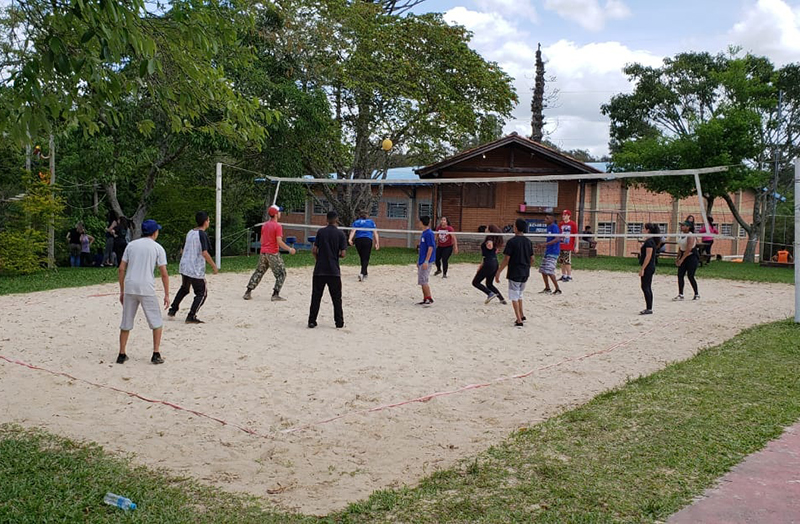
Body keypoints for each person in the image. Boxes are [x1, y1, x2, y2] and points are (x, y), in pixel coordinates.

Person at [116, 219, 169, 365]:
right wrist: (166, 294)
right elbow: (164, 273)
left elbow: (121, 269)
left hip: (130, 286)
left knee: (126, 321)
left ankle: (121, 353)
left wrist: (122, 291)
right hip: (146, 287)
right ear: (154, 232)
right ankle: (156, 353)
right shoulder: (157, 248)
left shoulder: (131, 245)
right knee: (156, 321)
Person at [168, 211, 219, 324]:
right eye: (208, 220)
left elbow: (182, 250)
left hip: (185, 266)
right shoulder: (202, 234)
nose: (209, 222)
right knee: (202, 293)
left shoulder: (190, 232)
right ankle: (191, 316)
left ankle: (172, 310)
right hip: (195, 268)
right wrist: (214, 266)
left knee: (184, 288)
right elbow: (204, 252)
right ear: (205, 222)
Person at [243, 205, 296, 301]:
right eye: (279, 212)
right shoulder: (278, 226)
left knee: (259, 272)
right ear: (275, 214)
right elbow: (279, 241)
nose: (280, 213)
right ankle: (275, 294)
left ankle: (248, 292)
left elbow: (261, 240)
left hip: (263, 252)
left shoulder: (265, 225)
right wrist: (289, 249)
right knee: (281, 273)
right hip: (272, 252)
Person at [308, 211, 348, 328]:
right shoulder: (340, 234)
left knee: (316, 296)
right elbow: (343, 254)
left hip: (320, 269)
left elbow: (314, 250)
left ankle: (312, 320)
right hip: (333, 270)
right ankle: (339, 322)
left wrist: (318, 259)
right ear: (337, 219)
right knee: (336, 298)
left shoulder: (321, 232)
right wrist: (335, 256)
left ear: (327, 220)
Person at [495, 218, 534, 327]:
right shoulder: (528, 242)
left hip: (515, 272)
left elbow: (506, 259)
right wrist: (527, 267)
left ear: (516, 228)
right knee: (520, 294)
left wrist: (498, 271)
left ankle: (518, 319)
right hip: (525, 272)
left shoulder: (512, 242)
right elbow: (532, 259)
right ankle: (522, 314)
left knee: (514, 296)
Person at [472, 225, 507, 305]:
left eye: (487, 228)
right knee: (489, 284)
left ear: (490, 230)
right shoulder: (494, 239)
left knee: (475, 282)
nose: (485, 229)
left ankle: (490, 293)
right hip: (494, 262)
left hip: (489, 263)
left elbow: (490, 246)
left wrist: (489, 244)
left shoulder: (490, 238)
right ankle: (501, 299)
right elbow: (487, 254)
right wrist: (481, 264)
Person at [348, 209, 379, 282]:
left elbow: (353, 231)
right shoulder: (371, 222)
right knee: (366, 257)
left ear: (359, 215)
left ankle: (365, 272)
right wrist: (377, 242)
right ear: (367, 215)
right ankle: (362, 273)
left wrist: (350, 239)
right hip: (367, 240)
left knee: (362, 257)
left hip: (358, 240)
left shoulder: (356, 222)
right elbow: (375, 232)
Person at [674, 220, 700, 301]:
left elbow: (689, 249)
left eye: (683, 225)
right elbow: (680, 247)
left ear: (688, 227)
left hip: (691, 257)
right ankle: (680, 294)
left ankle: (696, 294)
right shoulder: (681, 235)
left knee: (690, 276)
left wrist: (682, 259)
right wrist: (678, 257)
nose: (681, 227)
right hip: (683, 254)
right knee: (680, 275)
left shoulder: (690, 236)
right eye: (681, 225)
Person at [638, 223, 660, 315]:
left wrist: (643, 268)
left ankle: (649, 308)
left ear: (648, 230)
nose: (642, 229)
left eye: (644, 228)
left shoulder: (650, 242)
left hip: (648, 267)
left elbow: (648, 256)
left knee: (646, 287)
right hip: (649, 266)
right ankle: (649, 308)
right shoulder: (649, 241)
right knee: (645, 286)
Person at [538, 213, 562, 295]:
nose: (545, 220)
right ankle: (547, 288)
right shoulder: (548, 227)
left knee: (550, 271)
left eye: (547, 218)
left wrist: (546, 244)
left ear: (552, 219)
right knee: (543, 270)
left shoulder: (554, 227)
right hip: (548, 251)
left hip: (553, 252)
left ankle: (557, 289)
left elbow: (557, 238)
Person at [416, 215, 436, 305]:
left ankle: (429, 298)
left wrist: (426, 261)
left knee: (424, 280)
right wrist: (419, 260)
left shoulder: (429, 233)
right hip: (422, 259)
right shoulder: (424, 233)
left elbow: (430, 248)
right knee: (421, 280)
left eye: (420, 222)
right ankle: (425, 298)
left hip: (426, 260)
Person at [558, 210, 579, 282]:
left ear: (569, 216)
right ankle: (564, 275)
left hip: (568, 245)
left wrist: (576, 246)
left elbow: (576, 235)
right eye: (563, 215)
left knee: (567, 260)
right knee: (561, 260)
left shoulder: (572, 224)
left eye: (565, 215)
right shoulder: (560, 224)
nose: (563, 216)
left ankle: (569, 275)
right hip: (561, 244)